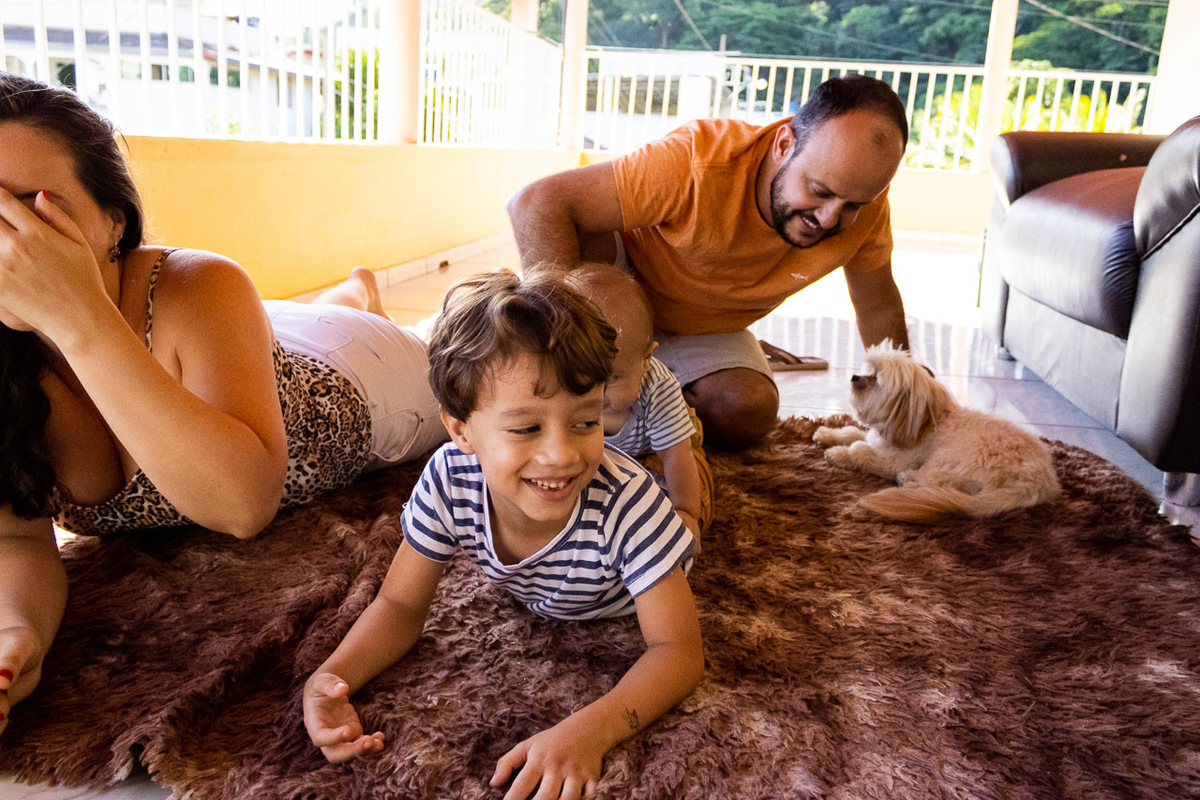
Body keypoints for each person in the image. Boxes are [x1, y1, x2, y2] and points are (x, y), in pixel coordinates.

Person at [0, 73, 446, 735]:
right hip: (243, 345)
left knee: (449, 356)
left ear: (112, 220)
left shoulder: (198, 283)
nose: (14, 245)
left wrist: (76, 317)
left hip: (358, 377)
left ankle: (360, 304)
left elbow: (239, 507)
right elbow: (17, 534)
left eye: (33, 208)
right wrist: (15, 632)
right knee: (279, 324)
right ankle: (347, 295)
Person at [302, 271, 703, 800]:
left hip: (633, 580)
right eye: (526, 428)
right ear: (460, 430)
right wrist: (331, 679)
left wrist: (588, 732)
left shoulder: (631, 506)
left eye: (585, 422)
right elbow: (399, 605)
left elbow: (677, 651)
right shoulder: (449, 477)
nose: (562, 454)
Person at [507, 74, 911, 450]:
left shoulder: (867, 213)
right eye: (819, 191)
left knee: (747, 411)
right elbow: (535, 203)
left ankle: (644, 400)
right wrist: (559, 347)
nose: (828, 218)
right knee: (583, 231)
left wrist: (905, 399)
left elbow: (878, 305)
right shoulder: (699, 160)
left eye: (854, 205)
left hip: (702, 326)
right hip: (617, 291)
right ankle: (608, 389)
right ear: (784, 144)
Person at [565, 264, 714, 552]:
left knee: (692, 479)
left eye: (610, 379)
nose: (594, 394)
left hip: (654, 452)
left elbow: (676, 455)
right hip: (595, 458)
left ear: (646, 360)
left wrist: (686, 513)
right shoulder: (557, 381)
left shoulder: (657, 386)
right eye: (581, 379)